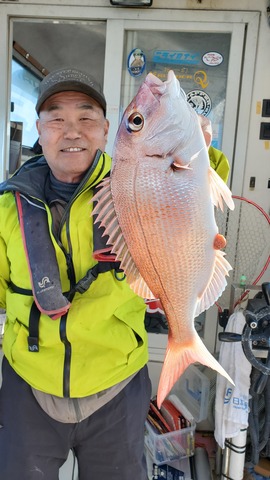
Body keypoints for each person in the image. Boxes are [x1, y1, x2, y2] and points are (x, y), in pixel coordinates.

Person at [0, 67, 151, 480]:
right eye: (56, 119)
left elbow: (192, 196)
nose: (72, 132)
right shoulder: (6, 208)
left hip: (117, 383)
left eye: (86, 118)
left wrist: (199, 150)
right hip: (29, 386)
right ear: (39, 130)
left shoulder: (136, 188)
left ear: (106, 130)